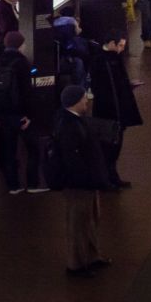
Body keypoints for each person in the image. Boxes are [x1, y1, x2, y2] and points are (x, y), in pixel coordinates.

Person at [56, 85, 113, 277]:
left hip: (87, 182)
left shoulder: (74, 120)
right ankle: (76, 265)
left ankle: (91, 256)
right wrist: (88, 178)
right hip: (79, 184)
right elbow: (72, 159)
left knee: (89, 220)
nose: (87, 101)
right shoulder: (69, 126)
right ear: (75, 102)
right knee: (78, 224)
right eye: (83, 99)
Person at [88, 31, 142, 189]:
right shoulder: (105, 61)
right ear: (111, 43)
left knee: (112, 145)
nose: (121, 49)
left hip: (112, 110)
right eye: (120, 45)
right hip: (112, 112)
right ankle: (109, 177)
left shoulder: (103, 59)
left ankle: (111, 176)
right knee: (110, 146)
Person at [0, 31, 40, 194]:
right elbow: (26, 92)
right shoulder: (21, 62)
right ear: (19, 45)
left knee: (8, 150)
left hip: (2, 113)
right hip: (20, 114)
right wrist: (29, 116)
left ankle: (13, 185)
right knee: (33, 149)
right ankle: (33, 184)